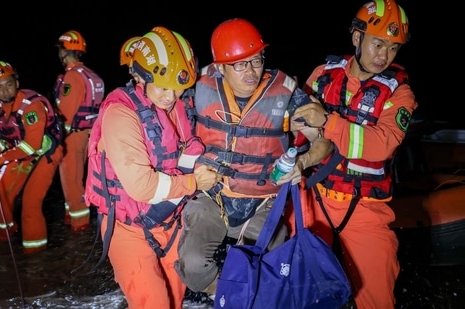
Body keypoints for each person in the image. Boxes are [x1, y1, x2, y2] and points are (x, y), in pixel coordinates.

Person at [174, 17, 333, 299]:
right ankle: (223, 295)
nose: (251, 71)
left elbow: (324, 142)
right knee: (193, 266)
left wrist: (302, 163)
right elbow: (162, 106)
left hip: (263, 201)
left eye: (257, 60)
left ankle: (252, 296)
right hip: (215, 196)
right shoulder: (198, 87)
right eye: (240, 64)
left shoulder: (285, 93)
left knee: (266, 268)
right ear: (221, 66)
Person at [291, 1, 417, 308]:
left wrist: (328, 123)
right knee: (296, 286)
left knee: (376, 294)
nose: (383, 56)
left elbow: (380, 144)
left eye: (392, 48)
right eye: (377, 44)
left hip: (365, 207)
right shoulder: (323, 74)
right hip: (316, 197)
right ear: (357, 38)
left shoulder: (399, 94)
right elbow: (295, 124)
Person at [84, 27, 220, 309]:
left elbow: (189, 147)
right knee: (154, 303)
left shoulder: (173, 106)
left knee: (175, 300)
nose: (172, 96)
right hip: (128, 228)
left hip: (170, 221)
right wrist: (194, 182)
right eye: (164, 87)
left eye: (178, 88)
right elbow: (142, 186)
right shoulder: (120, 114)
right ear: (139, 77)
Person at [0, 60, 63, 255]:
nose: (5, 91)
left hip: (45, 154)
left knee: (30, 202)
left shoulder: (32, 106)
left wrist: (1, 159)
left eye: (9, 84)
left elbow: (33, 145)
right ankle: (5, 237)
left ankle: (35, 255)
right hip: (19, 153)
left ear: (17, 82)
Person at [53, 30, 105, 232]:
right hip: (88, 134)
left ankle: (79, 227)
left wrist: (56, 138)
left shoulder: (72, 77)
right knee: (77, 179)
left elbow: (66, 112)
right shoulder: (92, 75)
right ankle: (71, 217)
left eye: (60, 50)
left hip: (72, 136)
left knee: (72, 182)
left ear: (65, 51)